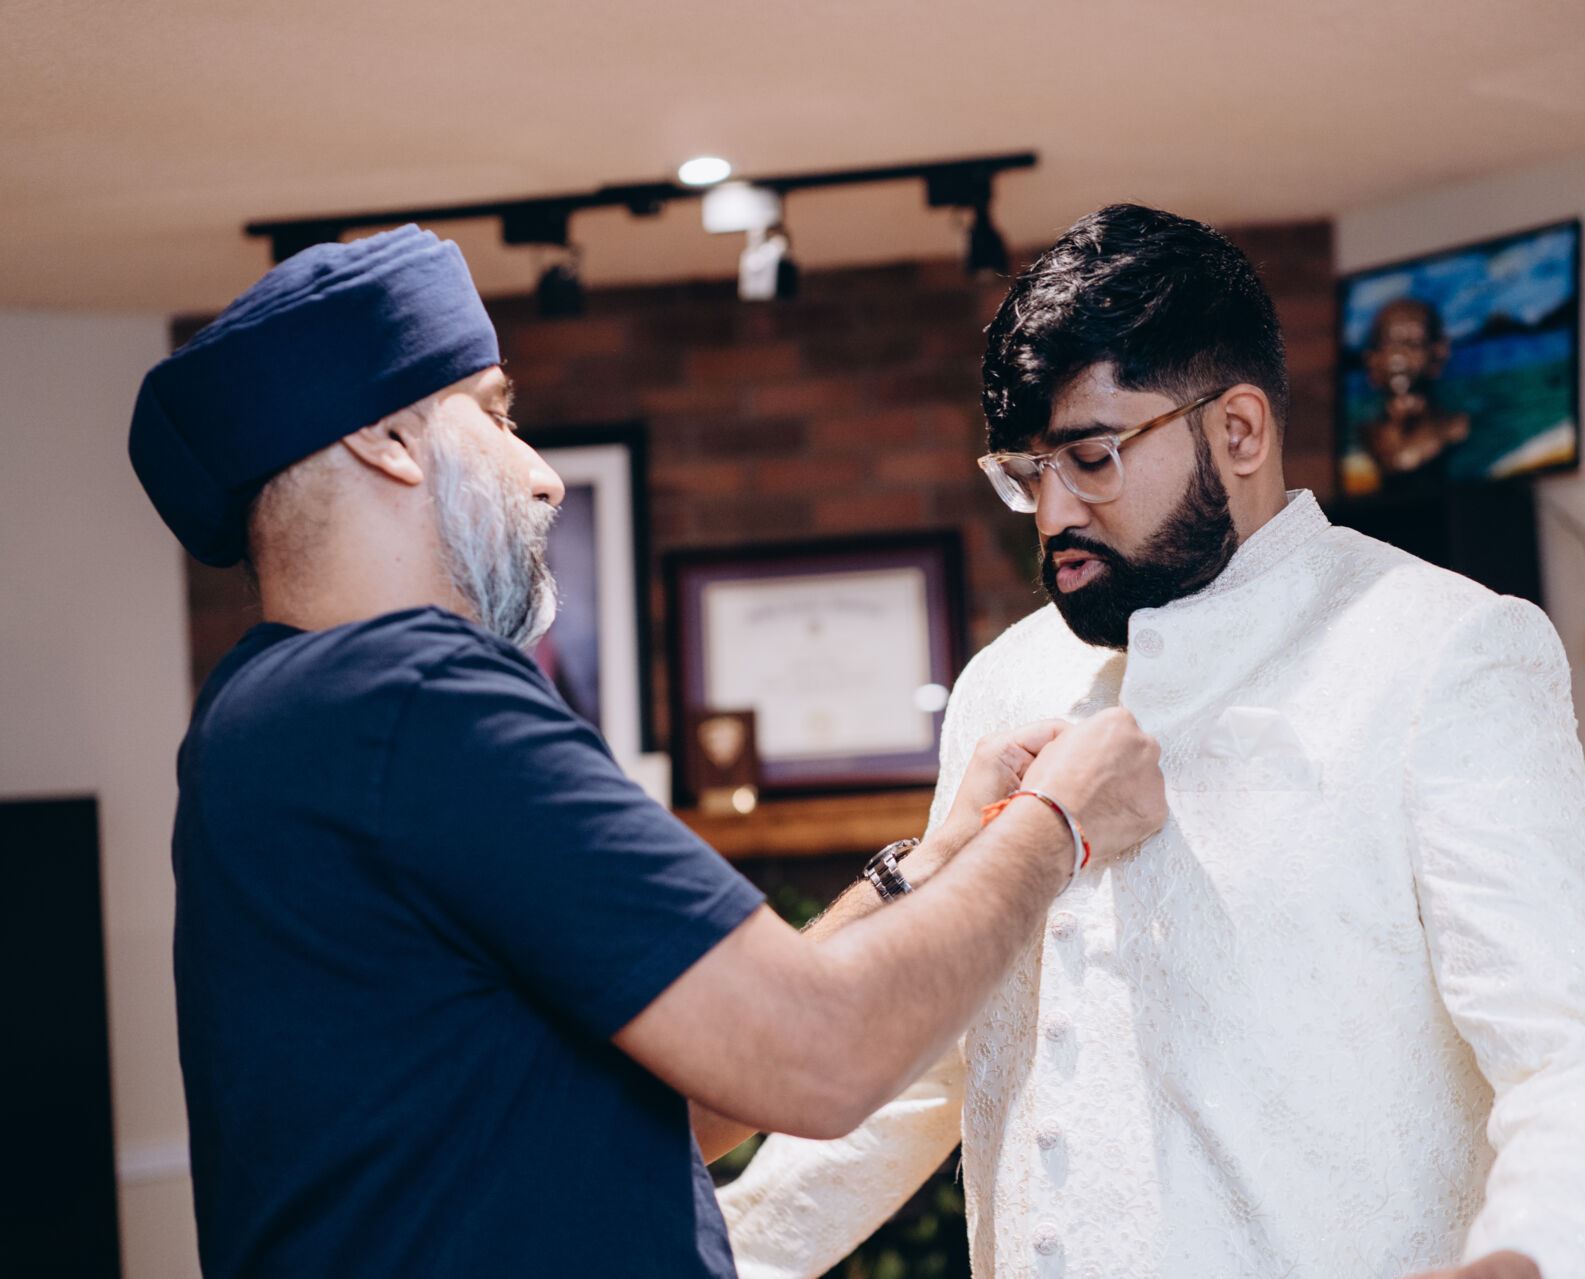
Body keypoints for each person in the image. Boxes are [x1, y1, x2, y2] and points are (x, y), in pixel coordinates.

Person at [127, 225, 1168, 1279]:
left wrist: (934, 860)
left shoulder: (255, 721)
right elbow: (821, 1053)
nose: (543, 478)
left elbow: (690, 1095)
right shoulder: (419, 697)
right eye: (494, 413)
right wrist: (1058, 823)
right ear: (391, 440)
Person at [719, 205, 1585, 1279]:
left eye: (1091, 457)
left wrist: (1533, 1260)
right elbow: (931, 1059)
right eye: (1026, 472)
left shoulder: (1441, 651)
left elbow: (1579, 1065)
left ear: (1240, 431)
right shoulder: (1006, 682)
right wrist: (723, 1256)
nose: (1052, 514)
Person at [1360, 295, 1471, 481]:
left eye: (1413, 343)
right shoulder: (1362, 436)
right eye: (1388, 343)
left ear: (1438, 354)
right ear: (1372, 360)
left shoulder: (1457, 428)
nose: (1398, 355)